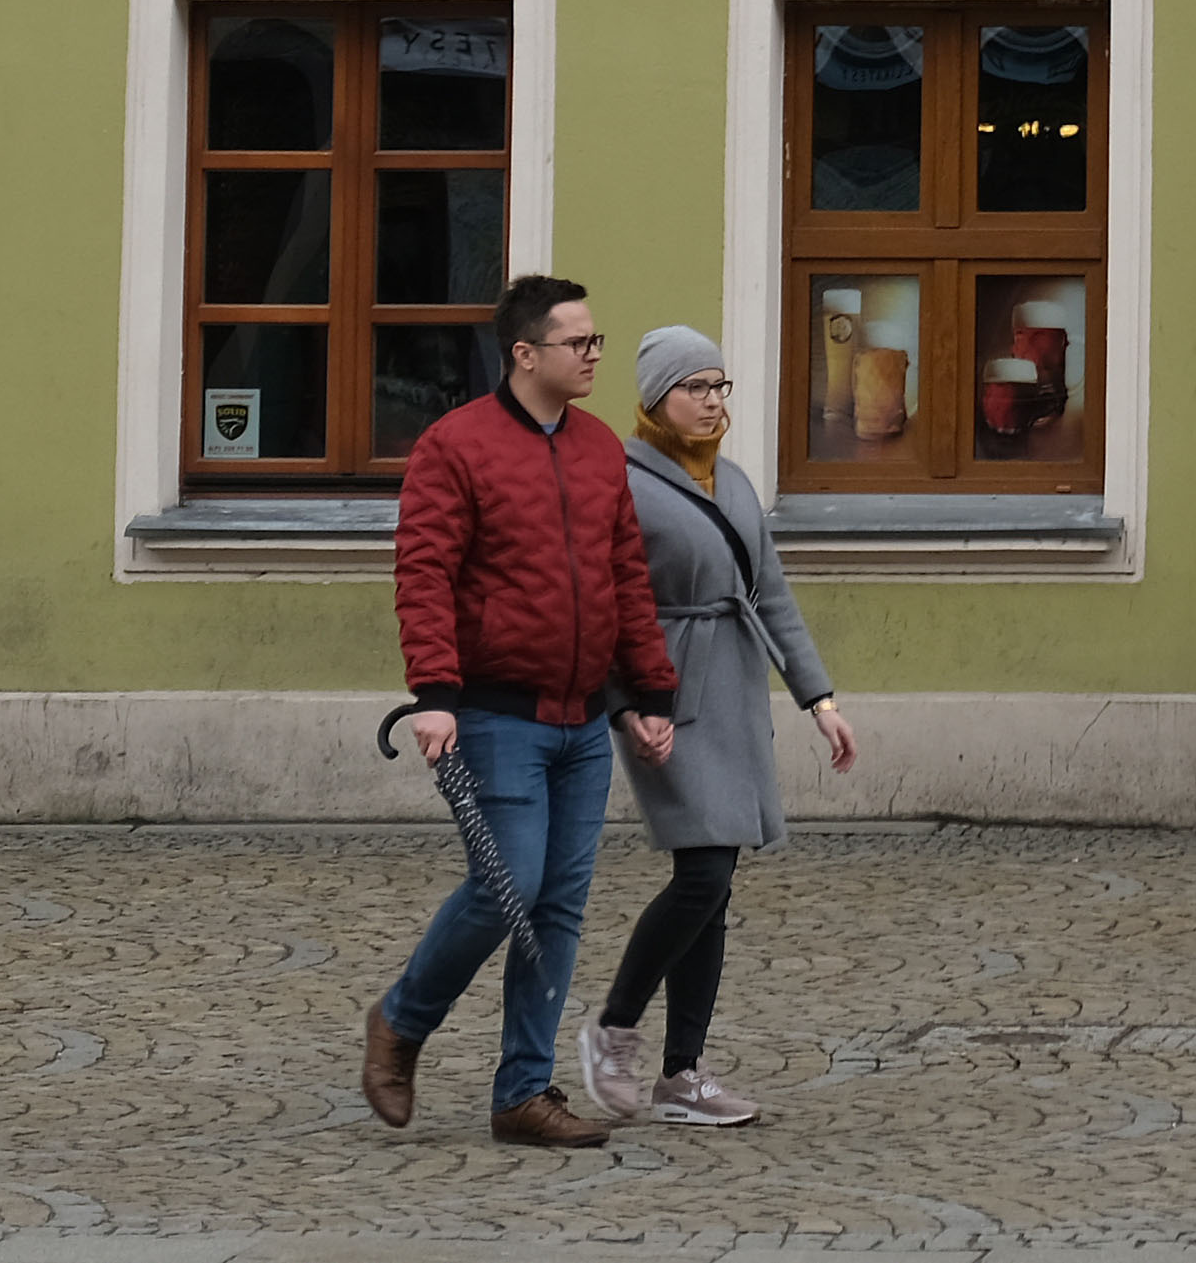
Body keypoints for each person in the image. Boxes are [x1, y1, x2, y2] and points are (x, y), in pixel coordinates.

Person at [362, 277, 678, 1144]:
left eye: (596, 339)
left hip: (581, 717)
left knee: (559, 905)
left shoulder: (597, 447)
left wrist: (648, 693)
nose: (592, 356)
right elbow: (423, 572)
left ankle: (522, 1093)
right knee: (509, 888)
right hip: (493, 714)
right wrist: (434, 693)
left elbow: (625, 577)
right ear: (524, 353)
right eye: (576, 342)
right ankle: (401, 1021)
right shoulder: (454, 446)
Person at [581, 327, 857, 1127]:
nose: (712, 402)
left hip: (733, 690)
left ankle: (682, 1073)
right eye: (695, 387)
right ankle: (613, 1029)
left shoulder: (733, 481)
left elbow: (769, 594)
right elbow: (600, 606)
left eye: (720, 385)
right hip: (665, 690)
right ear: (656, 395)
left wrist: (819, 700)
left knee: (716, 883)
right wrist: (627, 704)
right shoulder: (622, 482)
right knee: (701, 873)